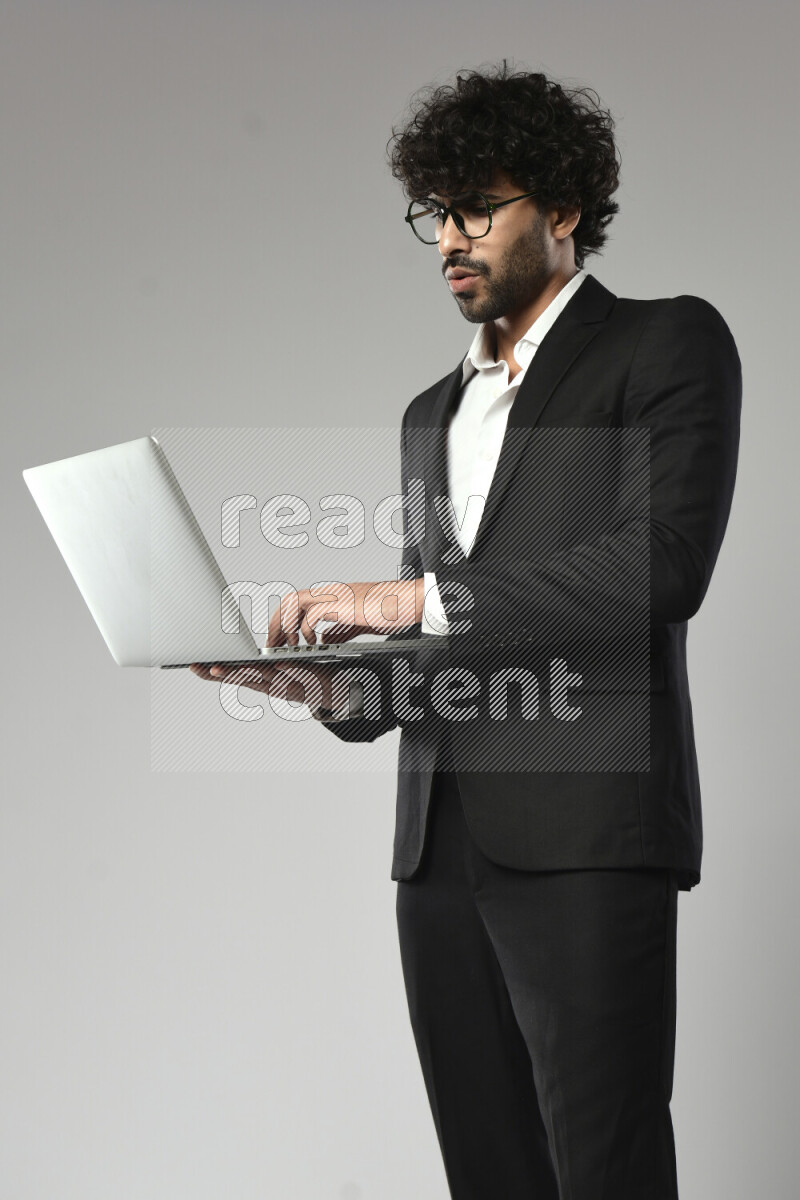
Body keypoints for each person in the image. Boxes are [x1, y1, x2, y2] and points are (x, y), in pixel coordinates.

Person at [191, 62, 741, 1199]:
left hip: (587, 839)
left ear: (562, 210)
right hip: (438, 851)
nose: (449, 237)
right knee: (489, 1177)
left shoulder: (664, 345)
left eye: (476, 209)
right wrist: (323, 688)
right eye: (434, 215)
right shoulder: (427, 413)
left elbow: (660, 565)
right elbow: (441, 651)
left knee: (605, 1174)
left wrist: (404, 599)